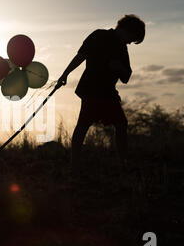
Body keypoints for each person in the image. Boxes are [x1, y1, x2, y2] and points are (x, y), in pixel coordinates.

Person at [57, 14, 146, 175]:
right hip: (91, 90)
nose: (129, 42)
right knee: (83, 126)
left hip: (108, 93)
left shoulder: (122, 48)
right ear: (126, 30)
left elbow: (126, 75)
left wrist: (119, 67)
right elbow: (81, 56)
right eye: (131, 38)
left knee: (120, 124)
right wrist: (65, 75)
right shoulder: (98, 35)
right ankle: (74, 166)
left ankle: (122, 163)